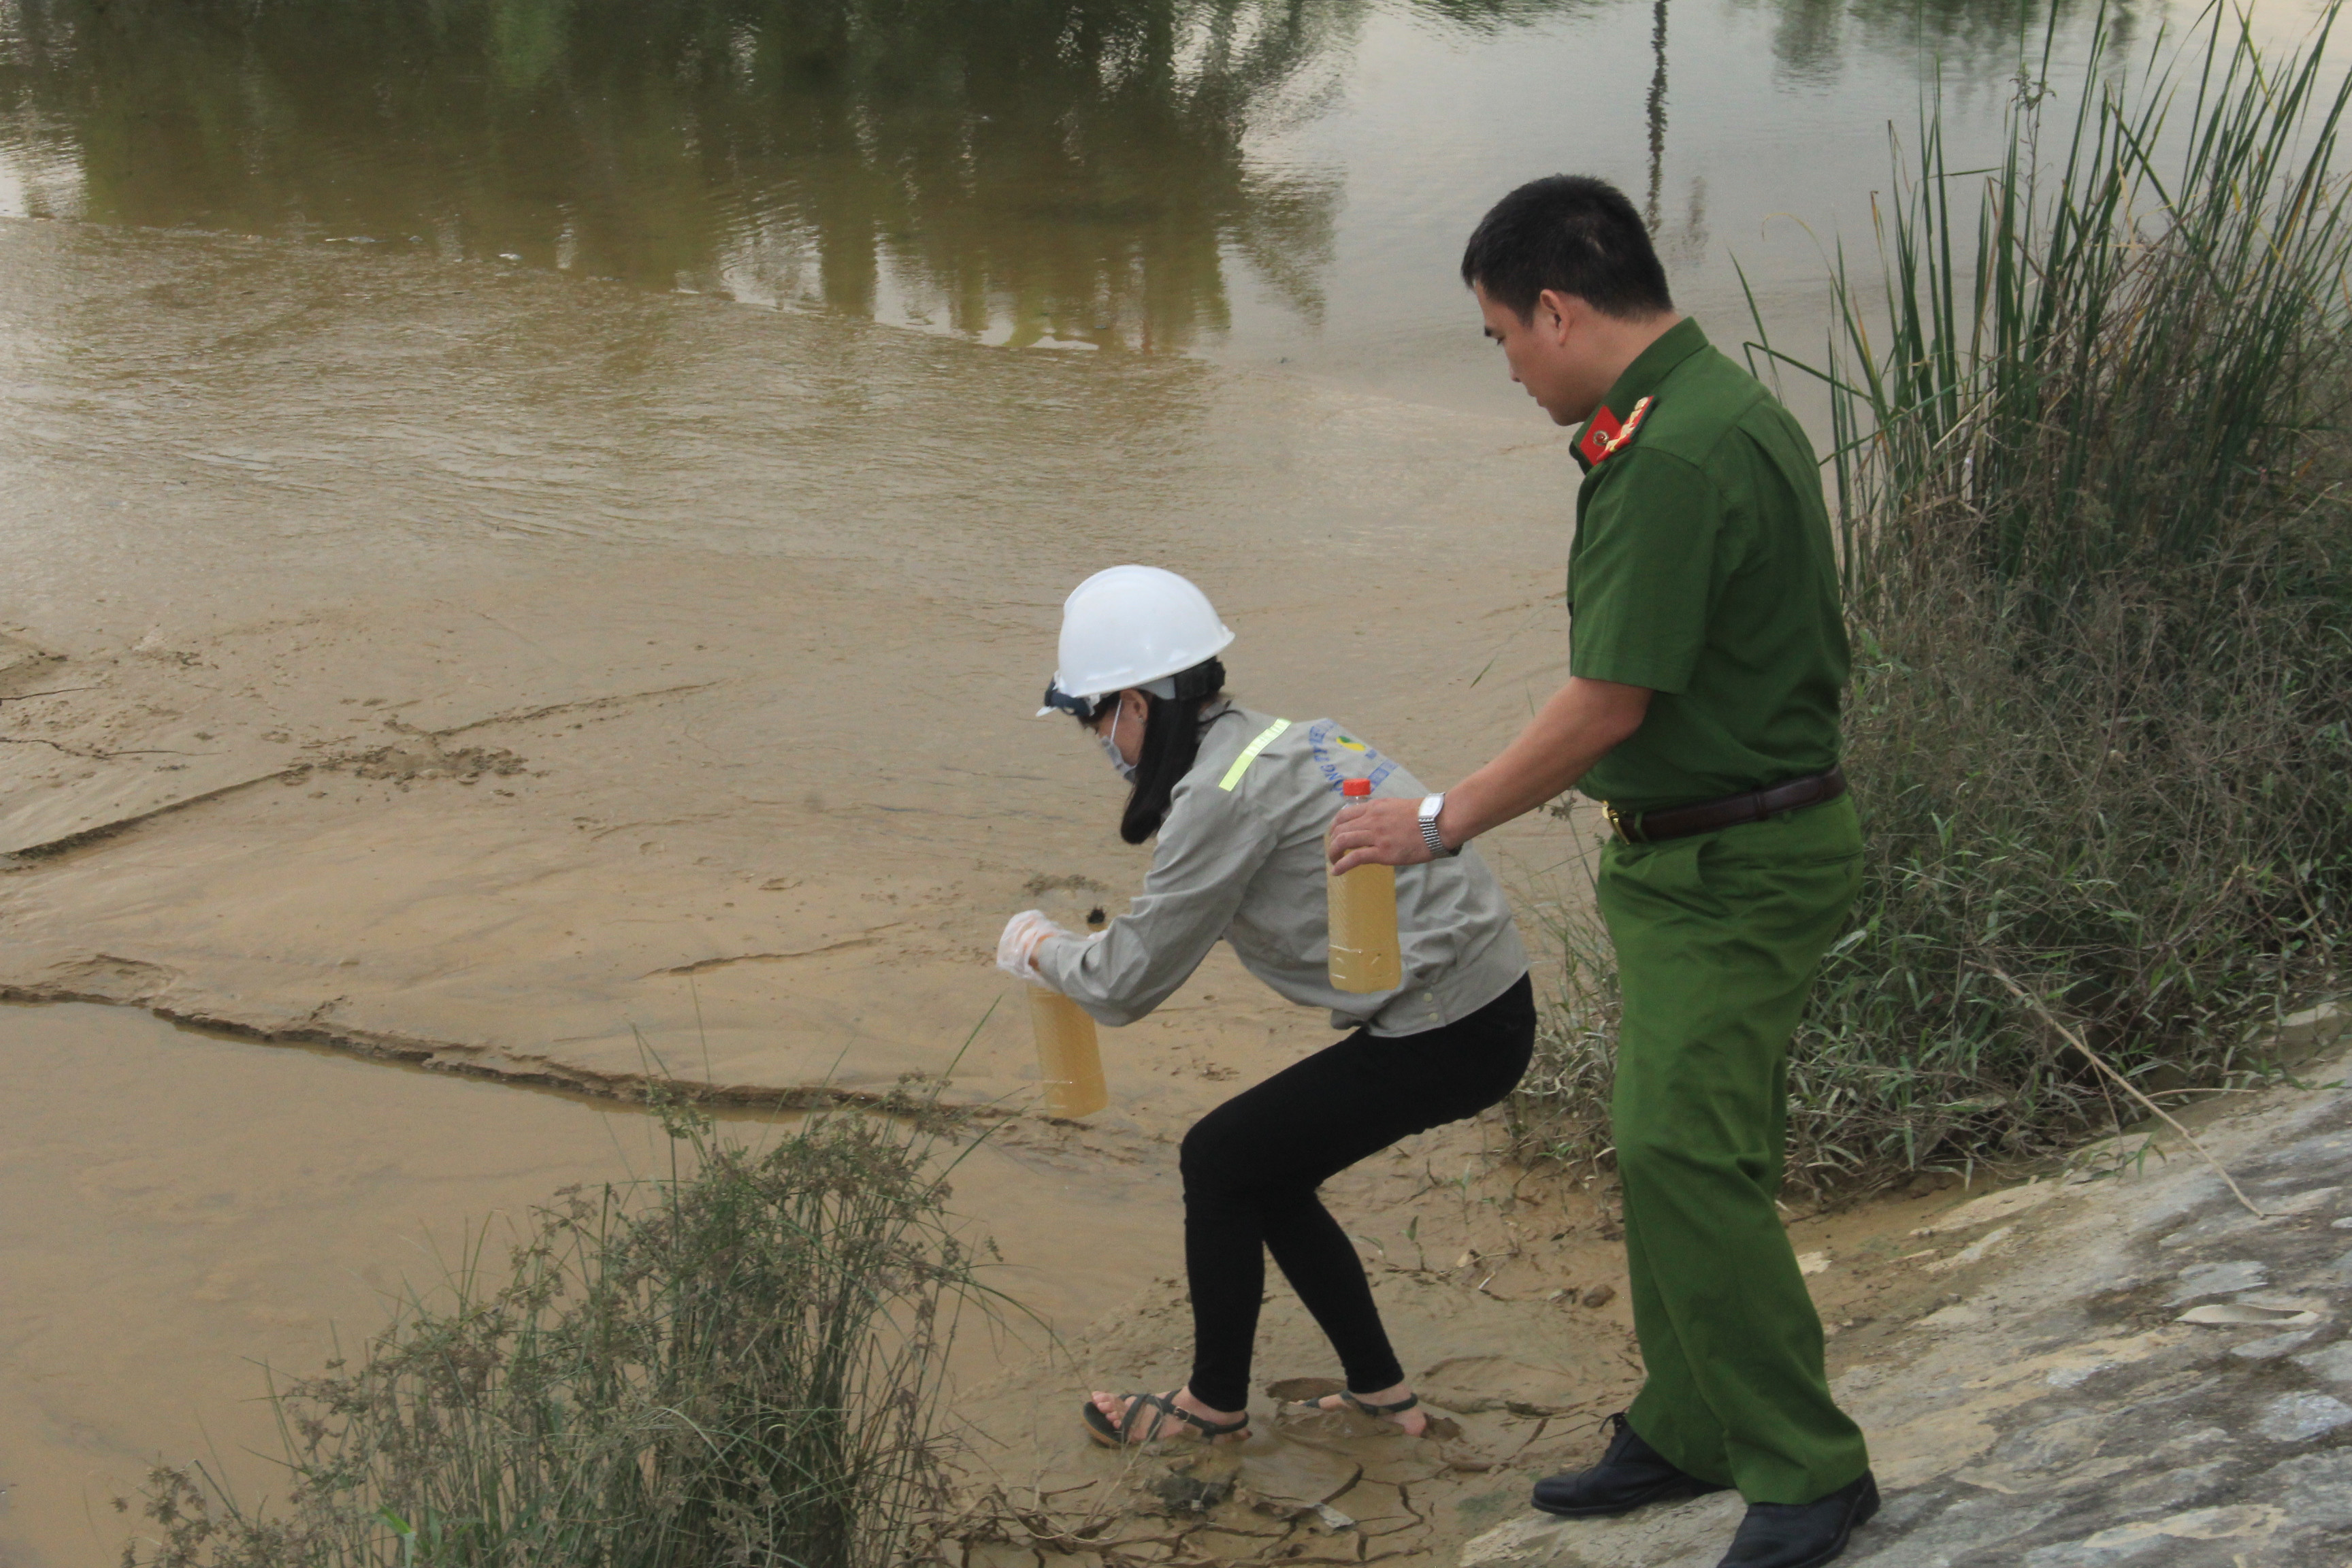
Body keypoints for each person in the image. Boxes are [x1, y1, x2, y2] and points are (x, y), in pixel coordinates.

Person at [1324, 176, 1878, 1568]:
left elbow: (1607, 703)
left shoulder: (1671, 455)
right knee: (1681, 1139)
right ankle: (1690, 1419)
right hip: (1721, 846)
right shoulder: (1706, 414)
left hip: (1734, 859)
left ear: (1560, 310)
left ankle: (1807, 1463)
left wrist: (1436, 819)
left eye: (1505, 337)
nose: (1508, 368)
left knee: (1681, 1148)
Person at [997, 564, 1533, 1450]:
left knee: (1218, 1158)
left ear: (1136, 703)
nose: (1095, 737)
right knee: (1264, 1168)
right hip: (1481, 999)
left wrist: (1039, 949)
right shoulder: (1281, 741)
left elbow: (1126, 985)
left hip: (1453, 1024)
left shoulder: (1216, 796)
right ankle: (1385, 1400)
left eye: (1092, 714)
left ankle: (1212, 1410)